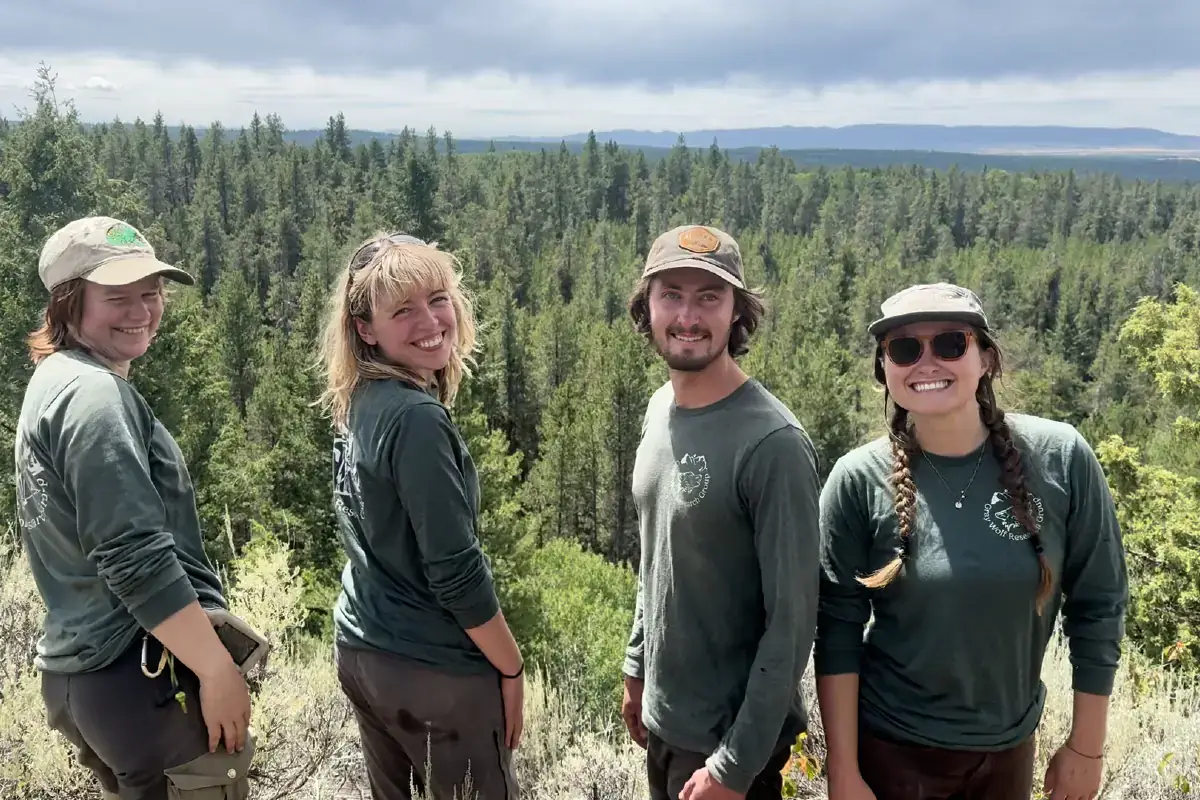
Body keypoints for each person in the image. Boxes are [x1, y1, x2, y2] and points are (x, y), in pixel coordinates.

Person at [814, 283, 1130, 800]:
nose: (927, 361)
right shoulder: (855, 480)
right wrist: (843, 772)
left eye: (950, 344)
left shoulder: (1061, 459)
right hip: (890, 757)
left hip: (1008, 755)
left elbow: (1099, 606)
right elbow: (837, 630)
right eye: (905, 348)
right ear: (885, 369)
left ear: (986, 358)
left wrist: (1086, 747)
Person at [14, 216, 254, 800]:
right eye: (116, 296)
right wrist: (217, 670)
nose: (141, 311)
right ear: (69, 303)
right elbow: (132, 556)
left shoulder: (57, 380)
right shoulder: (95, 397)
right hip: (143, 677)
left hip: (87, 675)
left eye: (151, 292)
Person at [316, 231, 524, 800]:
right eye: (402, 310)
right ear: (366, 329)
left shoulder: (359, 400)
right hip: (432, 672)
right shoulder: (416, 420)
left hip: (363, 650)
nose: (431, 320)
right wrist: (511, 665)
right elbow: (455, 571)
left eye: (438, 298)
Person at [620, 224, 823, 800]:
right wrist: (637, 667)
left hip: (728, 745)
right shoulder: (661, 409)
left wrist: (733, 768)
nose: (688, 315)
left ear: (737, 312)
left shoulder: (773, 445)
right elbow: (657, 553)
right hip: (667, 722)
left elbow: (791, 624)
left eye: (709, 296)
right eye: (671, 295)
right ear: (648, 307)